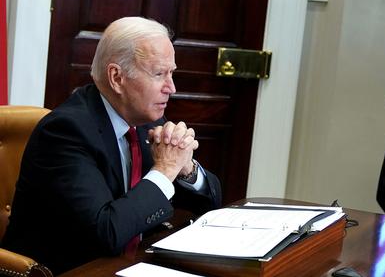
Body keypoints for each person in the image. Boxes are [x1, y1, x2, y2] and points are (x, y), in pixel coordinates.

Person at [1, 17, 222, 274]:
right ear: (117, 77)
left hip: (130, 265)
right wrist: (165, 170)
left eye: (171, 73)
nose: (171, 87)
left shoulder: (144, 120)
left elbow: (211, 203)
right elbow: (107, 230)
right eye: (159, 74)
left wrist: (187, 169)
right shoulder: (65, 132)